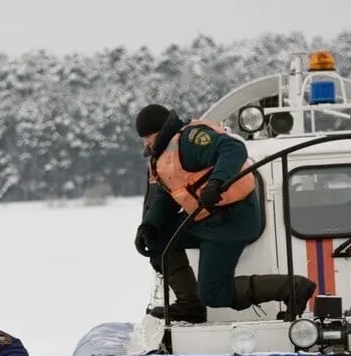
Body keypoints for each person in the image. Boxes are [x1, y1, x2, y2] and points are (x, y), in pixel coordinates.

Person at [134, 103, 316, 322]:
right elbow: (167, 196)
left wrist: (216, 183)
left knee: (213, 293)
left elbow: (233, 148)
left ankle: (293, 287)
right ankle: (189, 305)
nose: (146, 144)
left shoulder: (191, 141)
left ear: (161, 132)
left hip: (232, 219)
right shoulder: (163, 156)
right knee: (158, 239)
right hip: (204, 219)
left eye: (148, 137)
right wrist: (149, 225)